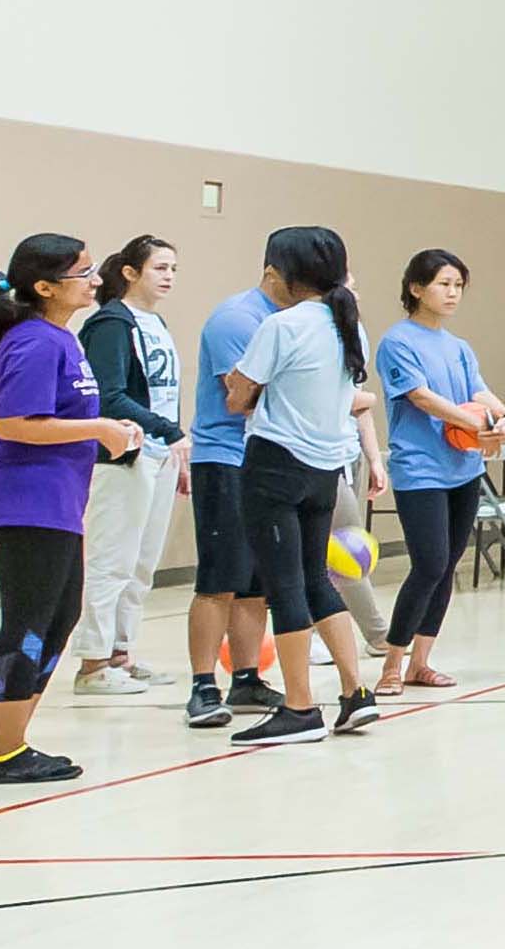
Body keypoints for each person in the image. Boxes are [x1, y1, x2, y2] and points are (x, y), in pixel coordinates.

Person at [0, 235, 140, 784]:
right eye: (82, 273)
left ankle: (14, 742)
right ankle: (3, 752)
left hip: (55, 499)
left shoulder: (61, 339)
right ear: (44, 287)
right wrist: (100, 428)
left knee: (59, 617)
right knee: (29, 621)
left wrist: (109, 431)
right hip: (23, 498)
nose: (94, 280)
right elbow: (15, 424)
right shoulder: (36, 342)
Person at [218, 227, 383, 745]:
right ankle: (356, 693)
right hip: (326, 471)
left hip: (276, 465)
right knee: (315, 579)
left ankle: (299, 707)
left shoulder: (281, 326)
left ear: (285, 274)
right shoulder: (350, 328)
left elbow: (239, 396)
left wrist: (241, 391)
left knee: (284, 585)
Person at [374, 249, 505, 696]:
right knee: (429, 563)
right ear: (416, 288)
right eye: (443, 284)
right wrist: (476, 424)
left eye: (458, 286)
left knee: (448, 564)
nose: (452, 293)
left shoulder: (459, 347)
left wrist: (504, 416)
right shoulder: (398, 341)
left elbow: (479, 390)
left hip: (463, 469)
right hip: (421, 470)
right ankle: (391, 663)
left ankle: (421, 662)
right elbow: (422, 397)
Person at [73, 234, 188, 695]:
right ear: (130, 272)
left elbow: (164, 391)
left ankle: (122, 652)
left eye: (174, 269)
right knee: (111, 559)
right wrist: (169, 430)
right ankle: (93, 662)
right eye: (161, 268)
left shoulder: (155, 322)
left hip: (157, 456)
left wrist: (173, 451)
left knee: (141, 564)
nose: (169, 278)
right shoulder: (112, 324)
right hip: (122, 457)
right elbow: (109, 395)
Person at [183, 265, 284, 732]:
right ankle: (203, 684)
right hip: (224, 457)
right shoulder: (237, 319)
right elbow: (237, 396)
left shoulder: (293, 318)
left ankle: (246, 678)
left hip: (269, 458)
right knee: (220, 576)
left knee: (256, 581)